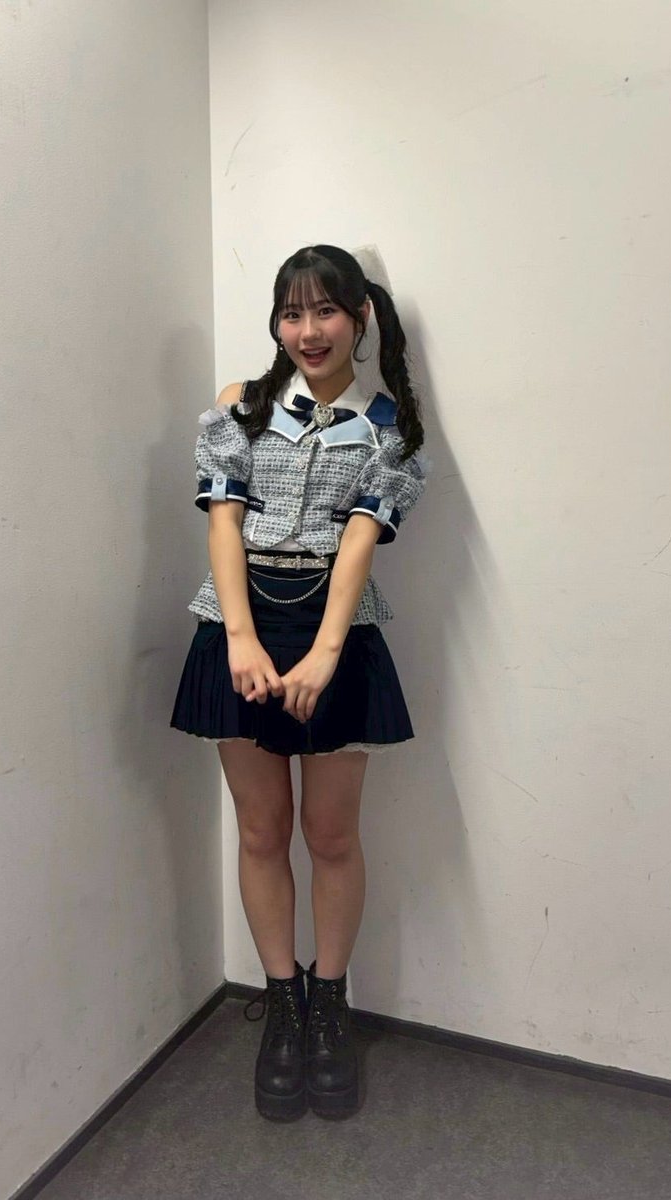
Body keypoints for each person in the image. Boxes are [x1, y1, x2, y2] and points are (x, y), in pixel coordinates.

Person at [171, 244, 426, 1121]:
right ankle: (282, 1003)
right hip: (238, 628)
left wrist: (323, 653)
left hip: (336, 633)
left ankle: (329, 1006)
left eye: (325, 311)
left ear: (360, 317)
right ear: (277, 322)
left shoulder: (389, 426)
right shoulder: (240, 406)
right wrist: (240, 638)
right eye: (292, 313)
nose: (308, 331)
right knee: (261, 830)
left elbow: (359, 543)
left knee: (332, 836)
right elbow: (223, 523)